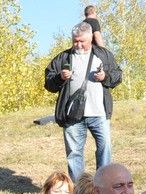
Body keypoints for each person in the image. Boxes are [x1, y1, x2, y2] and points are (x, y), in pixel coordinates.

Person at [44, 22, 122, 182]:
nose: (78, 44)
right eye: (75, 41)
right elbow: (48, 83)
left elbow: (118, 76)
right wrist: (60, 77)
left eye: (82, 41)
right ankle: (80, 191)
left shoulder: (103, 55)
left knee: (105, 149)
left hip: (99, 113)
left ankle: (103, 185)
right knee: (74, 154)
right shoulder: (63, 58)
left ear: (91, 38)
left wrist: (105, 77)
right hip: (72, 115)